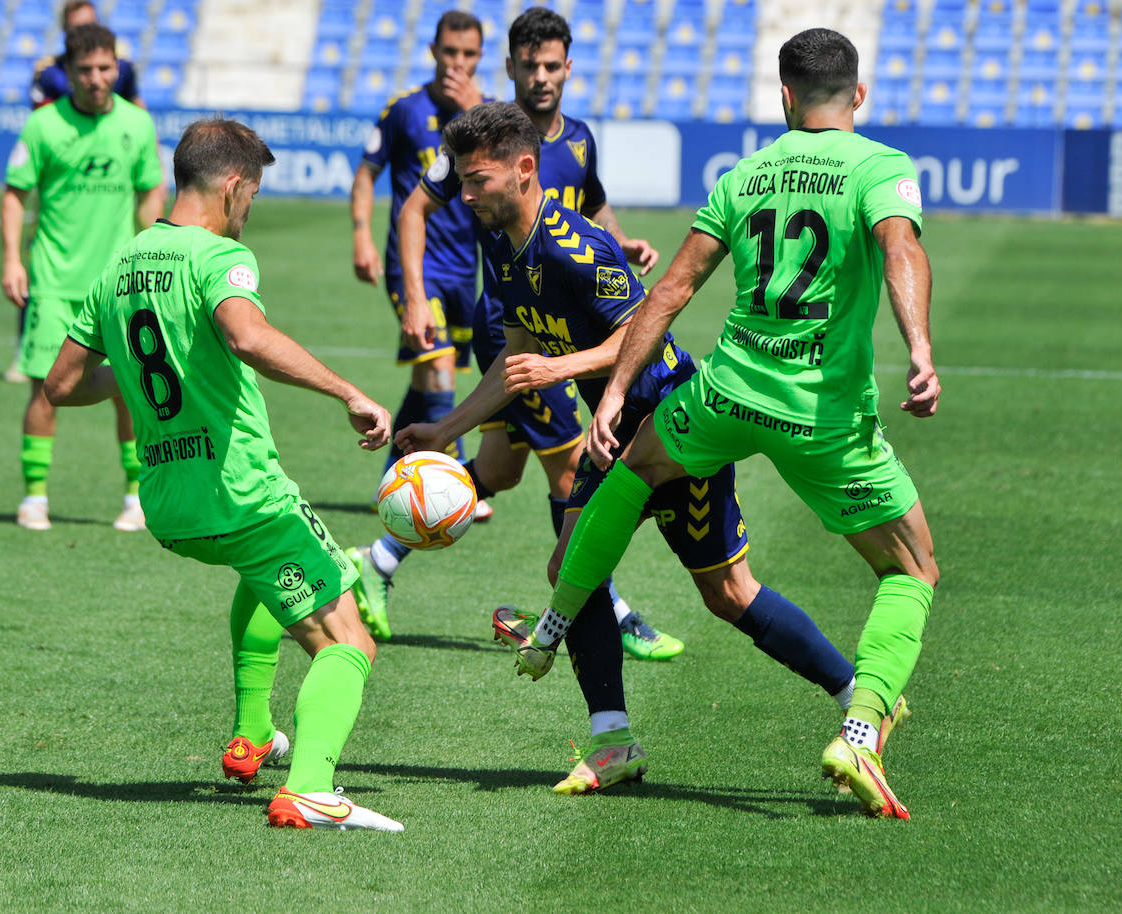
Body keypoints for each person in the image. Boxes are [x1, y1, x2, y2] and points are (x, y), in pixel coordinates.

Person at [511, 29, 938, 819]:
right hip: (820, 417)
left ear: (783, 97)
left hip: (727, 394)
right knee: (912, 570)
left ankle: (555, 618)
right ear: (859, 96)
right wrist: (918, 345)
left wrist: (613, 394)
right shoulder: (880, 166)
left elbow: (668, 291)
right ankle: (861, 725)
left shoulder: (745, 174)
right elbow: (901, 248)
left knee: (634, 468)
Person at [398, 101, 861, 795]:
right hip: (614, 434)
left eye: (478, 180)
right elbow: (516, 353)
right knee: (571, 563)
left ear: (525, 170)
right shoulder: (498, 241)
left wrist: (562, 369)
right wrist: (445, 429)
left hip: (674, 425)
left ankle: (856, 695)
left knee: (728, 594)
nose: (464, 195)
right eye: (461, 180)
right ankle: (611, 738)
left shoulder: (576, 246)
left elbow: (642, 331)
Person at [43, 117, 404, 831]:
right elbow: (246, 333)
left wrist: (143, 386)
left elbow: (60, 385)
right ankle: (310, 788)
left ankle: (254, 731)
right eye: (253, 196)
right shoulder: (218, 258)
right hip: (245, 497)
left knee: (264, 579)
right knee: (349, 641)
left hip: (173, 510)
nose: (250, 212)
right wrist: (348, 392)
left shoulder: (118, 267)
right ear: (234, 185)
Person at [350, 6, 681, 662]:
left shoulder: (579, 139)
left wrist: (620, 242)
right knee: (573, 480)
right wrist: (414, 295)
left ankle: (379, 560)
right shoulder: (483, 141)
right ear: (509, 68)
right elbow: (416, 206)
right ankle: (604, 611)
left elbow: (591, 206)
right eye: (527, 65)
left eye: (551, 65)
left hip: (562, 330)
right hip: (517, 335)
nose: (540, 76)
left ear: (567, 68)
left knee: (497, 473)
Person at [1, 23, 166, 531]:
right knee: (44, 389)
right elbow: (14, 194)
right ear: (67, 73)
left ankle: (136, 498)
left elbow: (150, 194)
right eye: (87, 70)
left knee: (130, 390)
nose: (97, 79)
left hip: (117, 286)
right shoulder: (43, 126)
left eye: (106, 68)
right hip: (53, 284)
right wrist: (12, 259)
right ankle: (35, 498)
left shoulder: (138, 125)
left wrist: (154, 256)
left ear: (117, 68)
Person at [349, 10, 485, 475]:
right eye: (449, 51)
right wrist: (361, 235)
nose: (457, 63)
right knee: (439, 367)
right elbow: (366, 175)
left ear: (480, 57)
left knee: (425, 378)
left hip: (465, 269)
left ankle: (393, 478)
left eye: (468, 54)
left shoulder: (488, 118)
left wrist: (474, 111)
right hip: (412, 265)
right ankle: (459, 477)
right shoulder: (404, 110)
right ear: (433, 51)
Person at [30, 1, 141, 109]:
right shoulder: (49, 73)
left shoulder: (122, 68)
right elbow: (43, 119)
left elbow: (136, 111)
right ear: (64, 29)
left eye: (89, 25)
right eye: (76, 29)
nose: (84, 34)